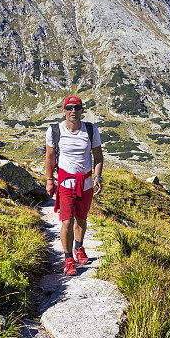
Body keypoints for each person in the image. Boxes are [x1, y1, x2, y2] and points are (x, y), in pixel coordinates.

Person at [45, 96, 103, 276]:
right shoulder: (55, 130)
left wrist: (98, 177)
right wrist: (49, 180)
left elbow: (98, 157)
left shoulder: (91, 130)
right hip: (65, 182)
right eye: (69, 108)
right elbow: (50, 157)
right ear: (63, 110)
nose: (73, 111)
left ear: (82, 110)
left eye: (77, 108)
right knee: (67, 220)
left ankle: (79, 248)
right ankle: (68, 258)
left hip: (85, 183)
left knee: (82, 219)